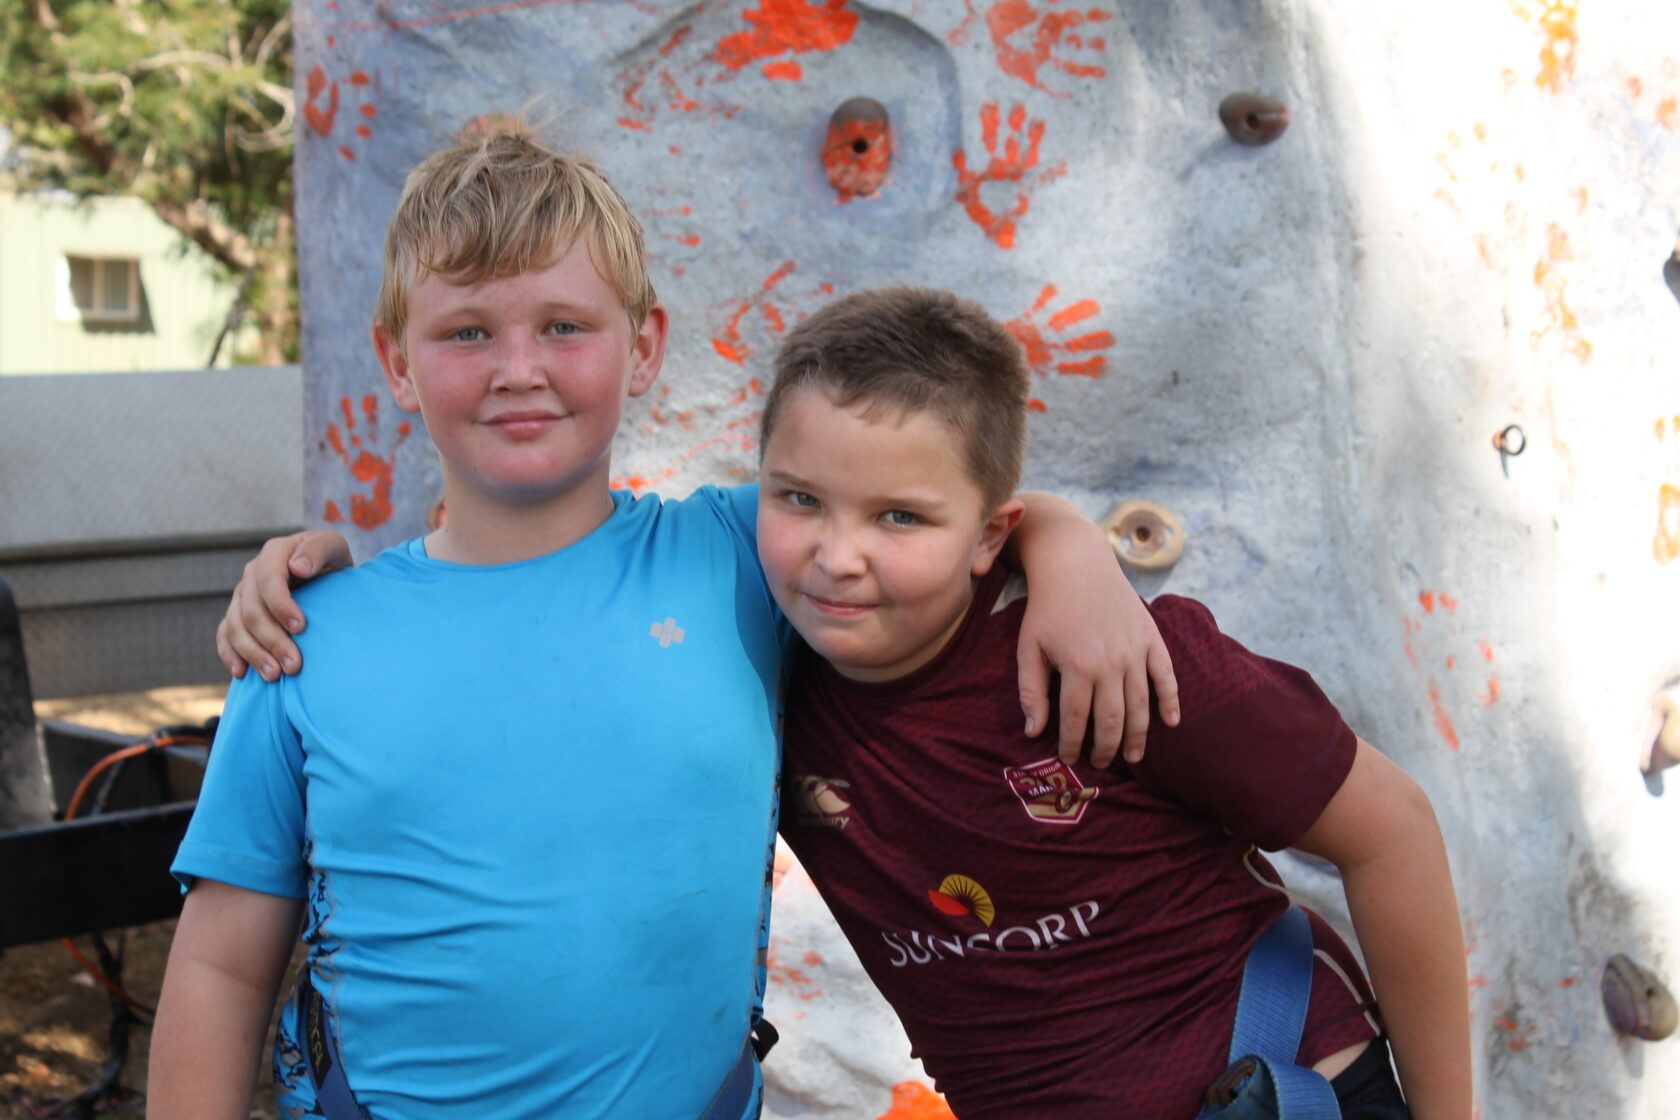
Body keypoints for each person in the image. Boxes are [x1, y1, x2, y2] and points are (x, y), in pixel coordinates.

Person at [152, 130, 1176, 1120]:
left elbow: (927, 508)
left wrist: (1072, 549)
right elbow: (219, 965)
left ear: (643, 346)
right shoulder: (305, 636)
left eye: (564, 326)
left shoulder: (738, 556)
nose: (519, 366)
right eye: (467, 330)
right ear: (395, 359)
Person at [755, 288, 1472, 1118]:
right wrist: (1062, 534)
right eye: (800, 499)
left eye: (900, 517)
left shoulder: (1109, 659)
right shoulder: (748, 663)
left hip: (1279, 1089)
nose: (838, 556)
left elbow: (1393, 832)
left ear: (991, 535)